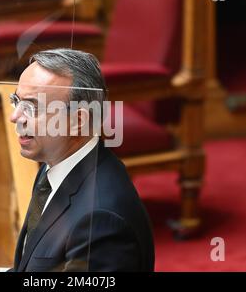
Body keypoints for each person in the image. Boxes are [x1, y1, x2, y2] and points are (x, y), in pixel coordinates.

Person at [9, 48, 154, 272]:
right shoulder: (55, 165)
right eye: (16, 100)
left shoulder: (100, 221)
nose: (15, 116)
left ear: (78, 121)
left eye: (32, 107)